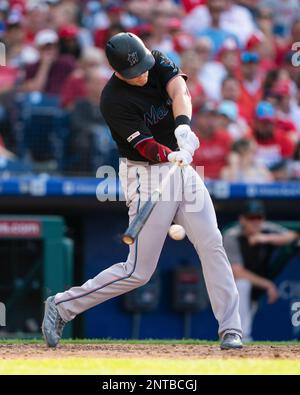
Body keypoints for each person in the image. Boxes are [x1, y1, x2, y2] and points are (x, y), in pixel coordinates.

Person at [42, 32, 243, 350]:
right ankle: (62, 306)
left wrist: (183, 126)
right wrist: (170, 153)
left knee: (211, 242)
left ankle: (231, 329)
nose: (145, 75)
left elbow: (180, 89)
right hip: (145, 173)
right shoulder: (113, 100)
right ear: (119, 71)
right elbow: (146, 147)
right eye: (136, 73)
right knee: (138, 271)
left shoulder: (157, 59)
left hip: (181, 166)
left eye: (146, 67)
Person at [223, 200, 299, 341]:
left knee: (245, 312)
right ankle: (242, 336)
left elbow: (293, 236)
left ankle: (237, 339)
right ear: (242, 219)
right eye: (251, 218)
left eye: (259, 217)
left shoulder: (267, 229)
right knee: (242, 284)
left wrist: (265, 238)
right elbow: (237, 272)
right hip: (224, 289)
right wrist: (268, 284)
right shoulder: (232, 236)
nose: (256, 222)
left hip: (254, 287)